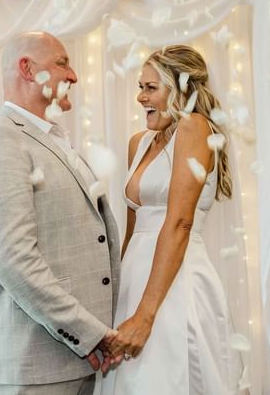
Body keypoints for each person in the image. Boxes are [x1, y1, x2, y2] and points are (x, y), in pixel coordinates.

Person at [0, 31, 122, 395]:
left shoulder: (52, 140)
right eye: (62, 63)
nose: (74, 76)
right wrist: (90, 334)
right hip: (29, 369)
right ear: (27, 69)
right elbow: (16, 261)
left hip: (75, 365)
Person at [100, 45, 243, 394]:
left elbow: (180, 223)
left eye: (151, 88)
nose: (140, 97)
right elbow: (132, 234)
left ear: (180, 89)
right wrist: (116, 302)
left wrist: (146, 315)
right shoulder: (139, 142)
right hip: (136, 282)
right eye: (140, 86)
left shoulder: (194, 127)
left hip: (175, 282)